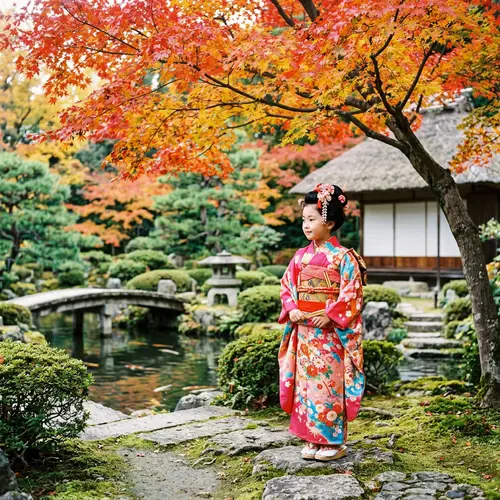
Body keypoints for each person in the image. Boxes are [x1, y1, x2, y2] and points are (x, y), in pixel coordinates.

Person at [278, 183, 367, 462]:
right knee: (306, 387)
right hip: (304, 333)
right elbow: (286, 285)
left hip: (330, 335)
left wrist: (330, 314)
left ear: (329, 222)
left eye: (312, 219)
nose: (306, 225)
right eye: (304, 219)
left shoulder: (344, 257)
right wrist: (291, 306)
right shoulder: (300, 256)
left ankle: (333, 441)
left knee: (328, 385)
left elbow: (353, 291)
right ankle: (311, 437)